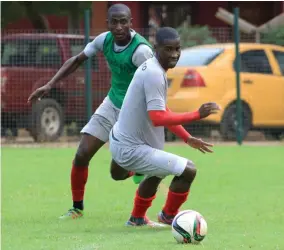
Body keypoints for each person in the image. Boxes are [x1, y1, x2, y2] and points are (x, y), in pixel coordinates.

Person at [27, 3, 154, 219]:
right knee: (82, 154)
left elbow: (156, 83)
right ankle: (77, 208)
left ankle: (136, 169)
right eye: (114, 22)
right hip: (112, 104)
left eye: (124, 21)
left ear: (131, 23)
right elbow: (76, 60)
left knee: (117, 173)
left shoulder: (141, 51)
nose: (119, 26)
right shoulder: (103, 40)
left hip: (135, 114)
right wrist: (50, 84)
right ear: (108, 24)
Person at [109, 27, 221, 227]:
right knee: (188, 170)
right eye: (168, 49)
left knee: (159, 169)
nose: (174, 54)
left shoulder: (153, 68)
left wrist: (187, 138)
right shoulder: (154, 73)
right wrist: (197, 114)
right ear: (155, 48)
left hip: (124, 142)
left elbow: (162, 109)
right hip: (130, 149)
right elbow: (158, 117)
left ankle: (137, 218)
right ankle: (169, 216)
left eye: (177, 49)